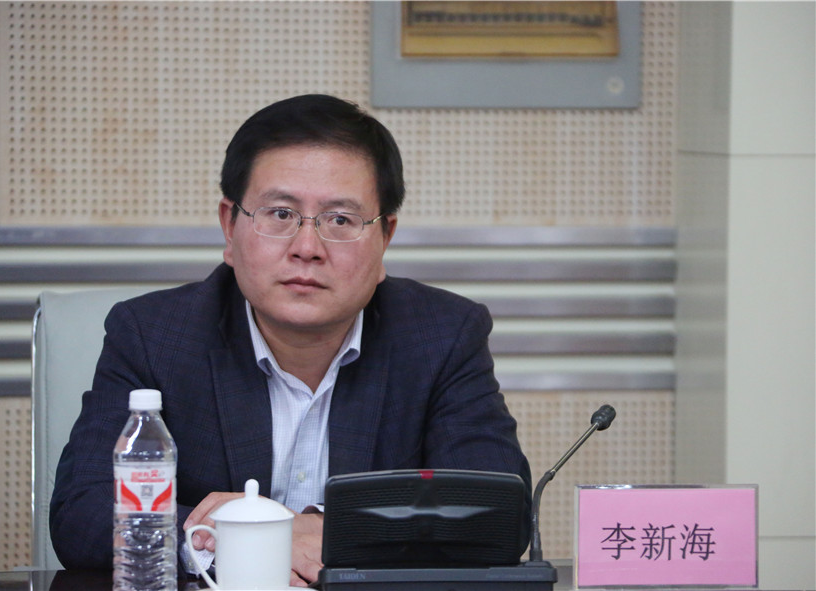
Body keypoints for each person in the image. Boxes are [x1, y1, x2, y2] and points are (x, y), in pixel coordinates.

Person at [49, 94, 532, 586]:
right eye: (280, 214)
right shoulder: (154, 335)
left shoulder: (441, 335)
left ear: (384, 238)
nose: (307, 248)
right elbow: (82, 512)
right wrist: (248, 535)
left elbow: (497, 516)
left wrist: (331, 529)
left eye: (340, 220)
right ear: (230, 226)